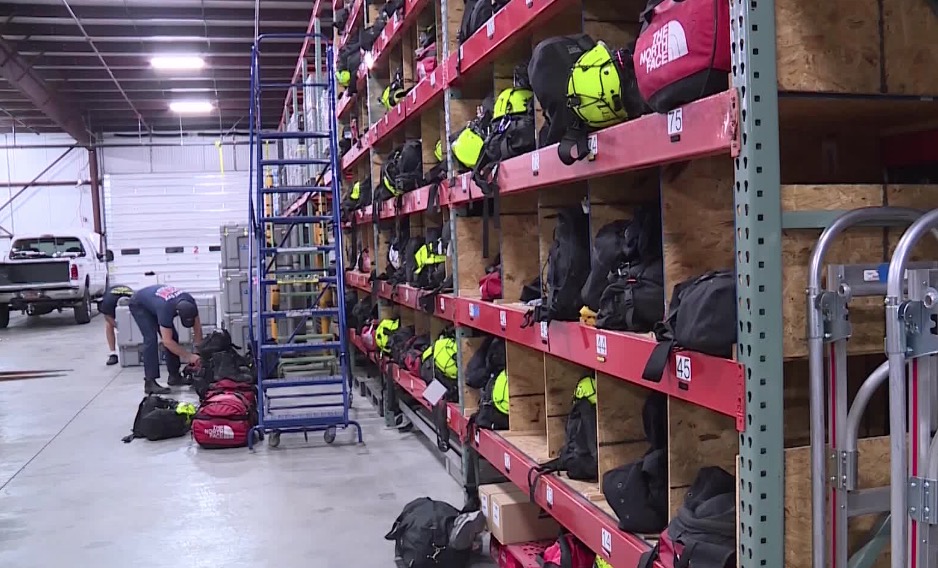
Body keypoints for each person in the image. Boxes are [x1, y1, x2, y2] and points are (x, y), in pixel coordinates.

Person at [129, 284, 203, 394]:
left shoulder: (190, 302)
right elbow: (167, 342)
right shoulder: (165, 309)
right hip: (139, 304)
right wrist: (189, 356)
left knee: (174, 336)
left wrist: (198, 352)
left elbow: (197, 329)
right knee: (150, 339)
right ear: (177, 313)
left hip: (155, 301)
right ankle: (150, 382)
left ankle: (174, 376)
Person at [98, 284, 134, 365]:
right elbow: (107, 316)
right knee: (108, 325)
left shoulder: (135, 300)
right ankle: (113, 353)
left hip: (126, 294)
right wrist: (119, 327)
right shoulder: (108, 302)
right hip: (112, 297)